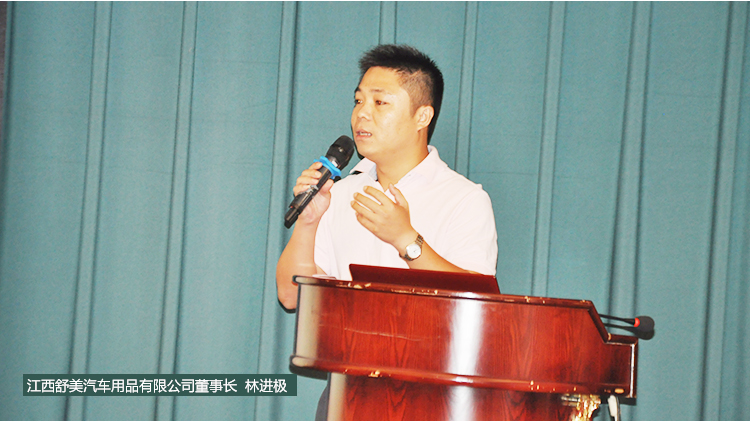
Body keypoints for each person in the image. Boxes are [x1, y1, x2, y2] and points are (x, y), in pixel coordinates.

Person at [276, 44, 498, 311]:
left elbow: (477, 303)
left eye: (379, 102)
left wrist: (405, 238)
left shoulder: (465, 199)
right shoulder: (337, 195)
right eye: (359, 101)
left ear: (422, 116)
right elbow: (291, 295)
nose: (362, 113)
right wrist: (308, 222)